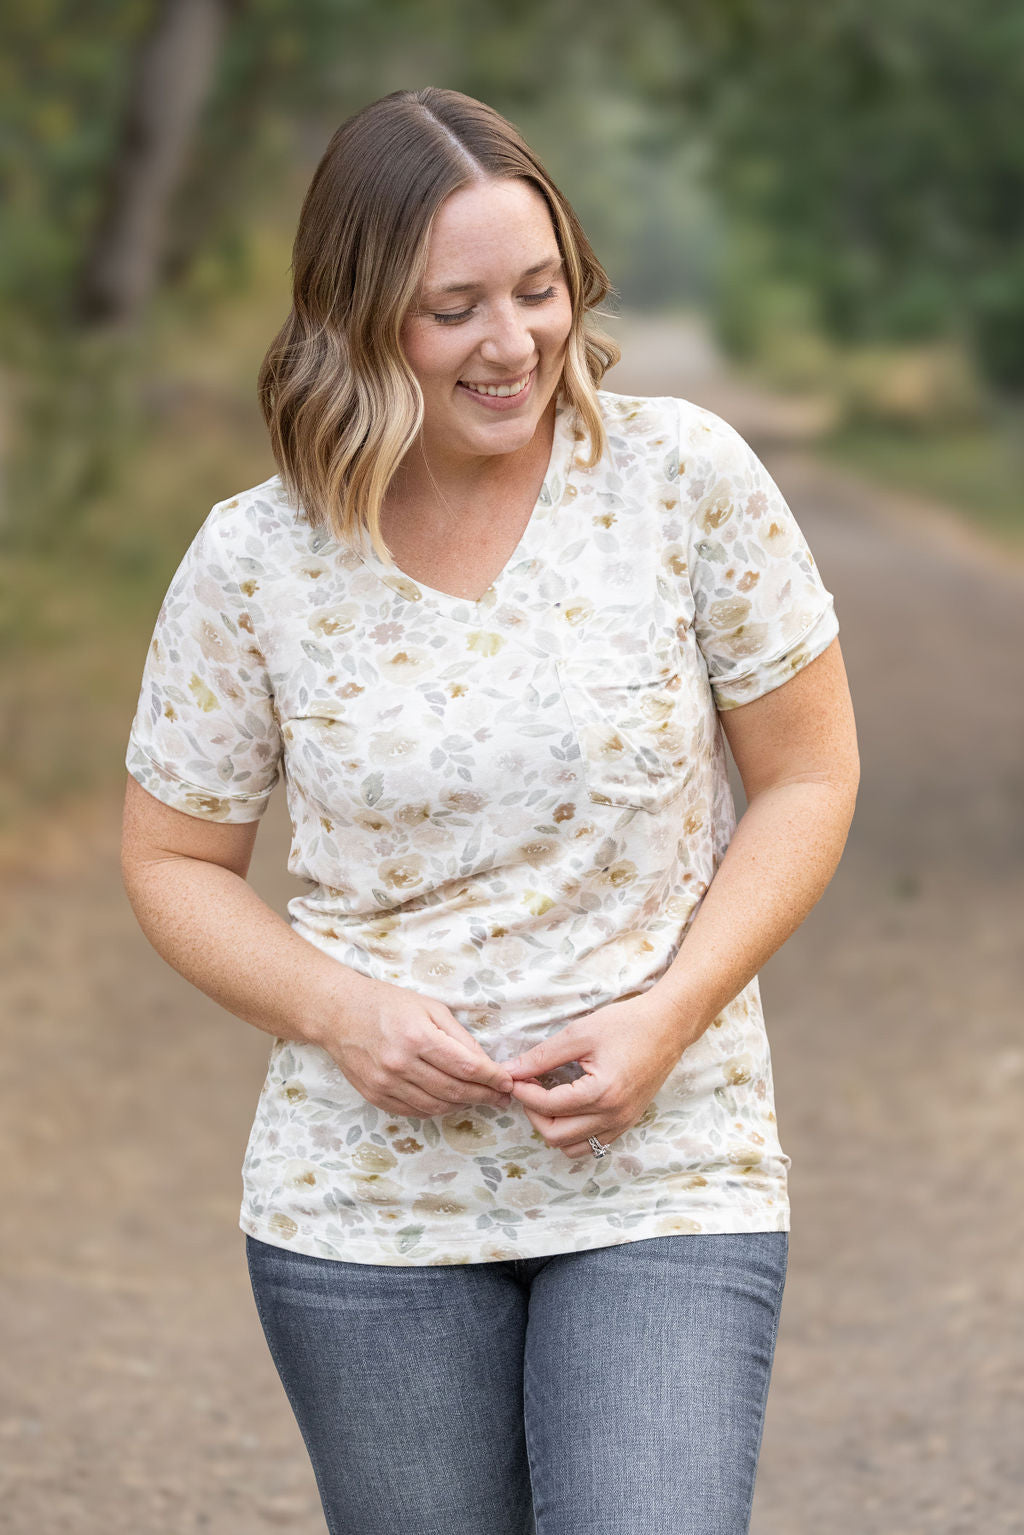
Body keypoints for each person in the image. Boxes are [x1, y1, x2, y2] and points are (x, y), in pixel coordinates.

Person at [120, 86, 859, 1535]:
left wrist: (671, 1014)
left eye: (538, 290)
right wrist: (341, 1013)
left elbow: (810, 775)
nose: (514, 343)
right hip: (365, 1212)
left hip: (664, 1175)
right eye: (453, 308)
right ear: (352, 314)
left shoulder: (682, 480)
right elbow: (172, 860)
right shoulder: (252, 560)